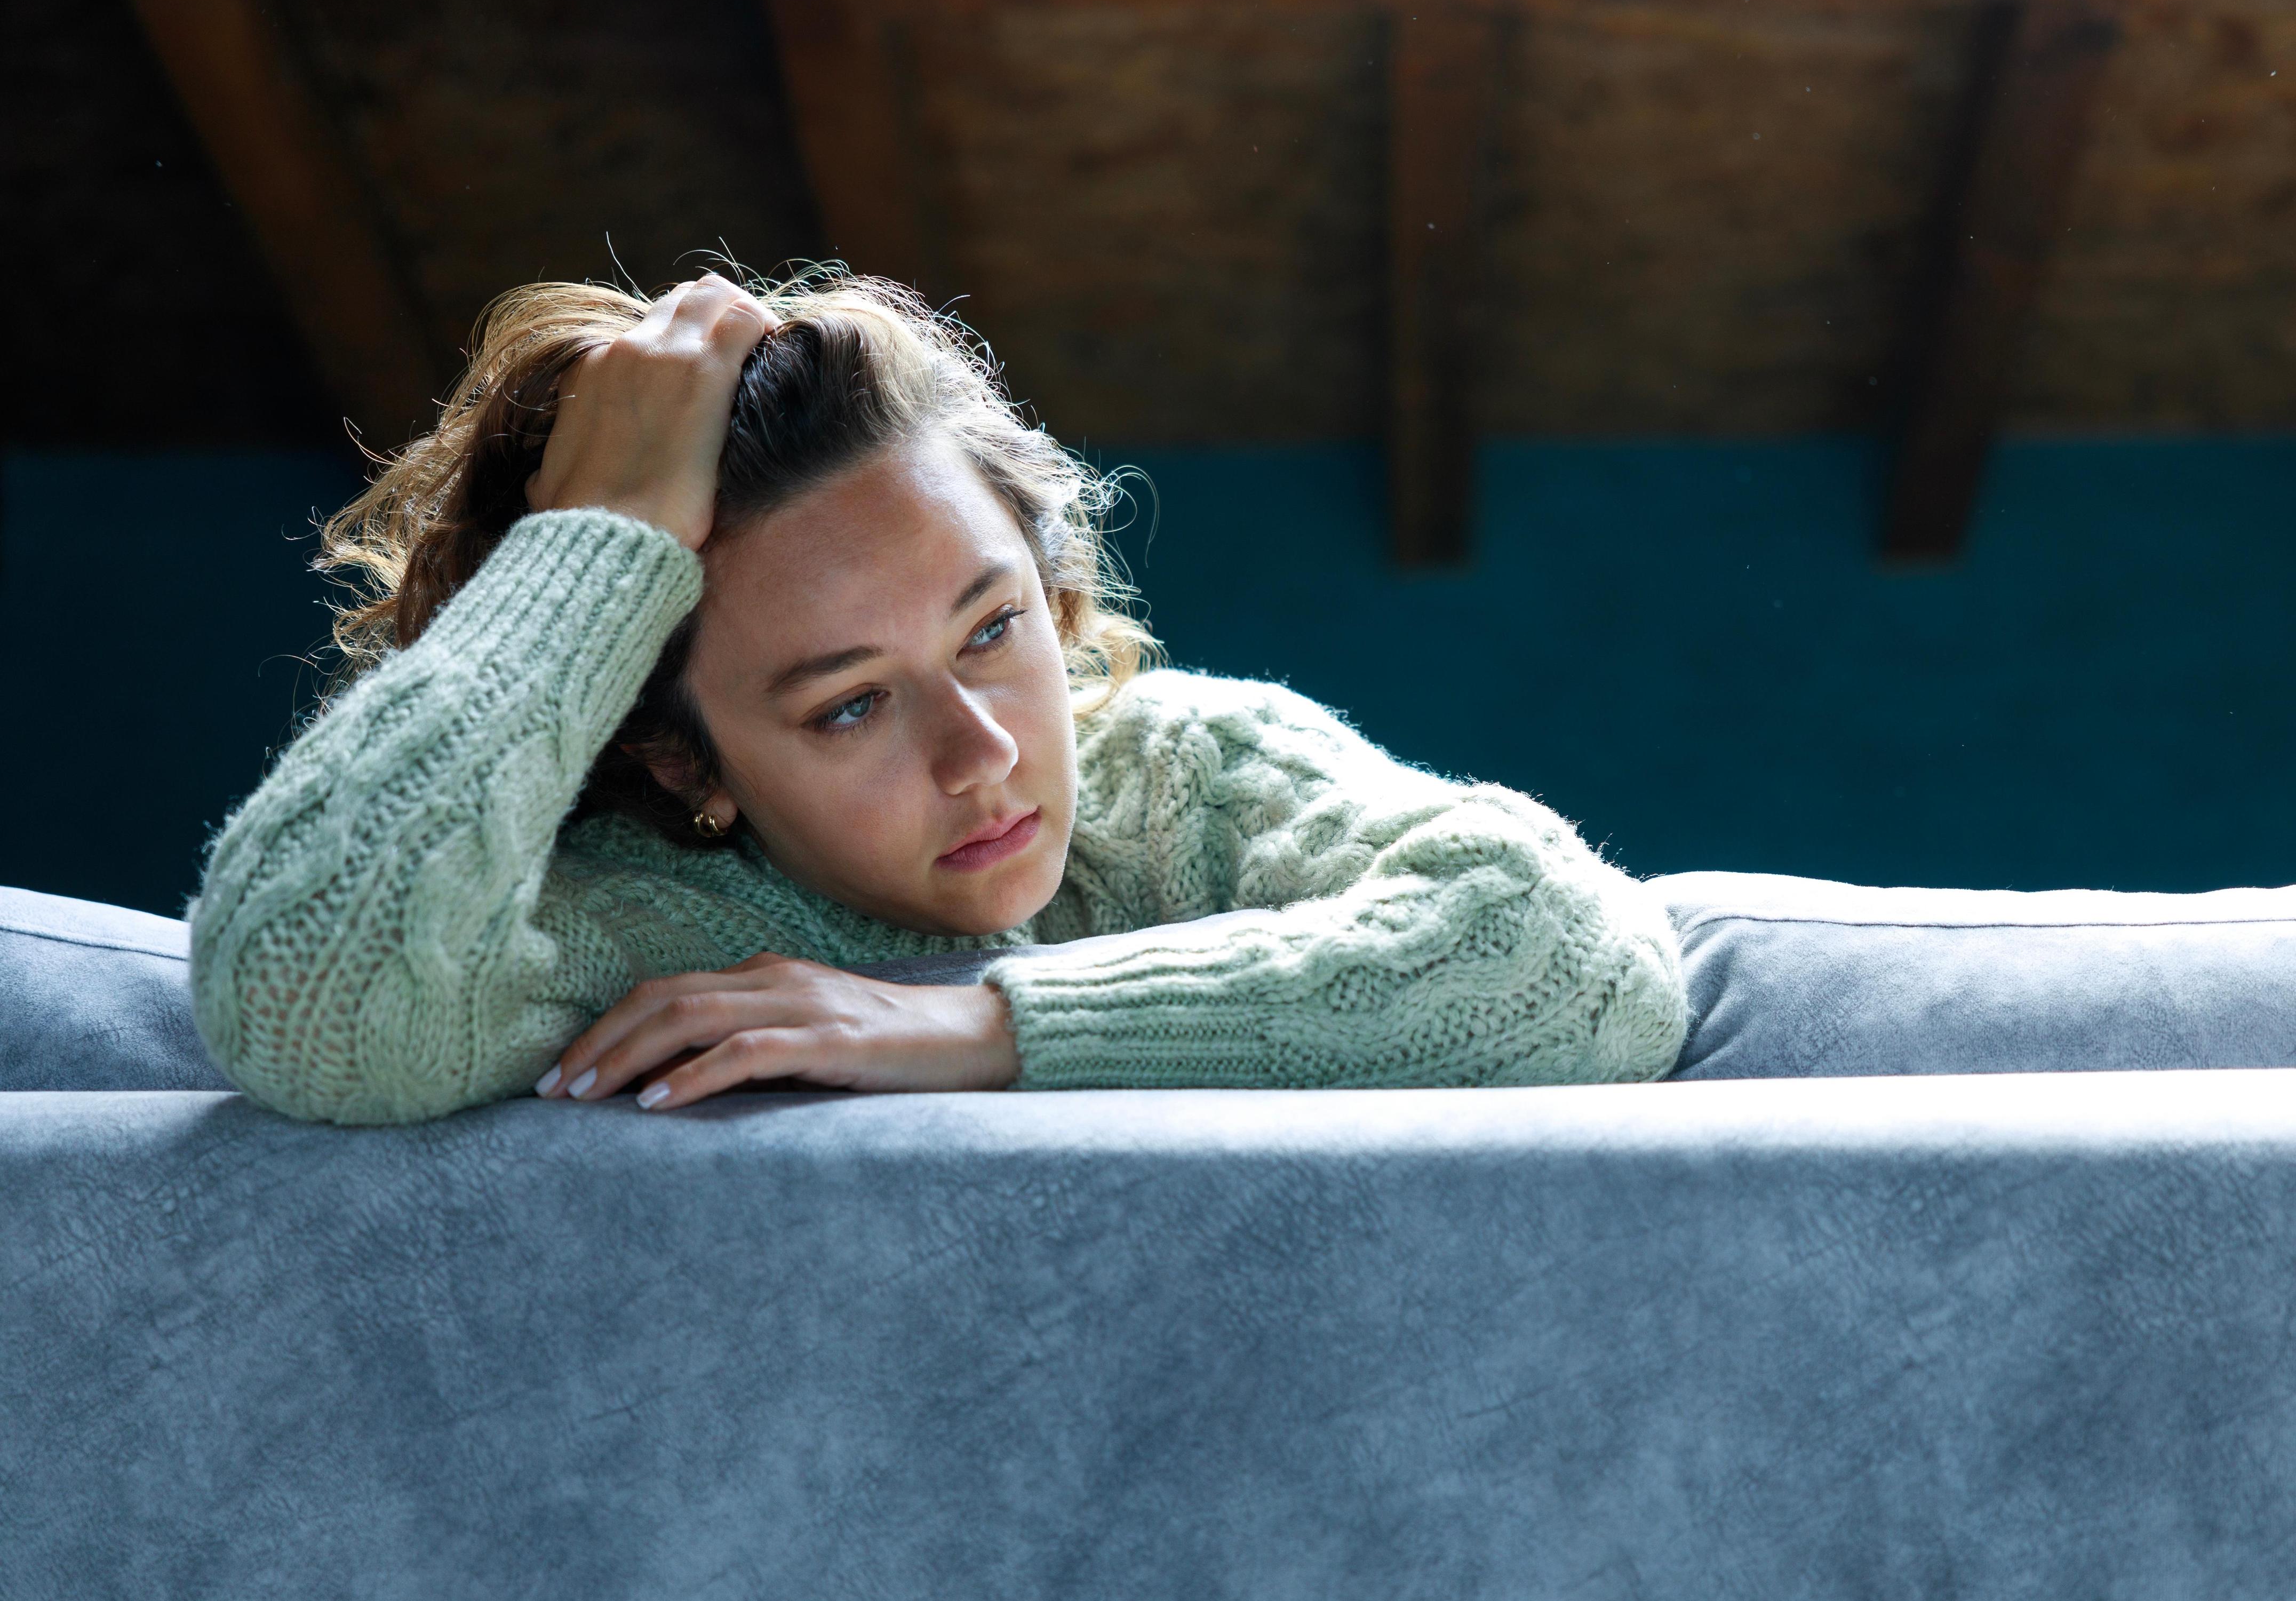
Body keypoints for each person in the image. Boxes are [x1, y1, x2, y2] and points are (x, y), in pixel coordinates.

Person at [189, 272, 1688, 1125]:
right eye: (848, 706)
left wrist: (977, 1025)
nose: (982, 754)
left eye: (991, 628)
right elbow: (308, 997)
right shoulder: (642, 934)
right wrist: (601, 542)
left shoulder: (1179, 775)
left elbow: (1577, 965)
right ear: (683, 761)